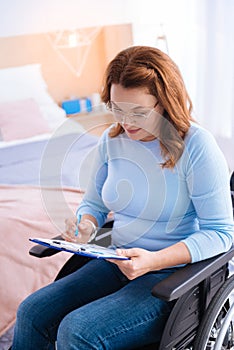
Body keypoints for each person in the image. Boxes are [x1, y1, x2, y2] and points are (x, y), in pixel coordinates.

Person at [11, 46, 233, 350]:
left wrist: (154, 260)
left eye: (139, 113)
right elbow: (95, 205)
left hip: (172, 274)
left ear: (166, 103)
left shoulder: (197, 147)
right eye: (117, 109)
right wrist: (86, 226)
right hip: (116, 258)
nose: (127, 122)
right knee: (32, 312)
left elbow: (221, 233)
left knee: (77, 331)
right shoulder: (112, 141)